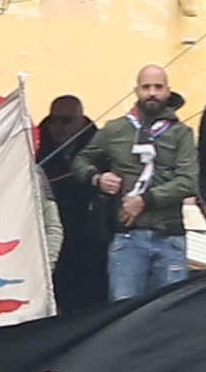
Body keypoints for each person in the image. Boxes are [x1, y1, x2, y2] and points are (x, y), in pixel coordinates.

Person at [84, 66, 196, 300]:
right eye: (146, 87)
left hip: (170, 237)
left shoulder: (181, 133)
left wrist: (145, 200)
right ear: (136, 91)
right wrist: (97, 177)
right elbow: (81, 159)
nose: (152, 93)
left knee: (169, 313)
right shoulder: (115, 129)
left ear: (168, 91)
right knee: (123, 314)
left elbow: (188, 181)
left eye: (158, 87)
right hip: (127, 240)